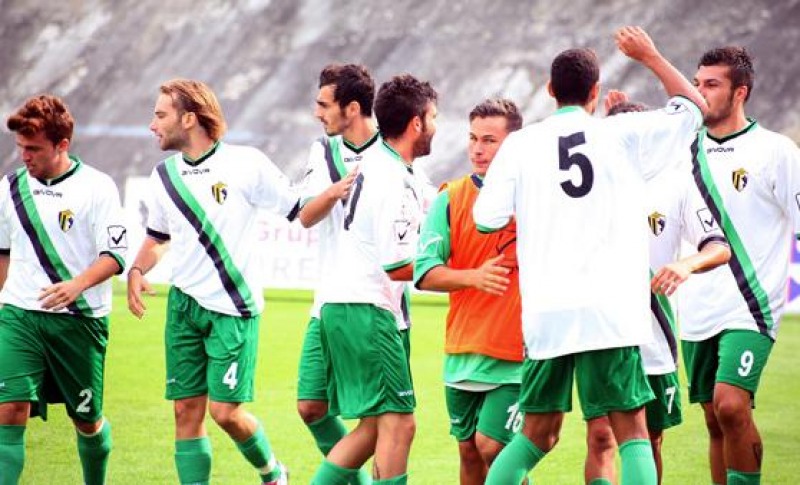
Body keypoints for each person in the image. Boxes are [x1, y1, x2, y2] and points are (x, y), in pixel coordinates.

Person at [474, 26, 709, 485]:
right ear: (595, 91)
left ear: (549, 90)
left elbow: (487, 219)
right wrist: (652, 56)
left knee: (534, 437)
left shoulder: (521, 145)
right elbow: (695, 108)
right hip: (610, 311)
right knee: (632, 431)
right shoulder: (621, 133)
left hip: (547, 313)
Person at [126, 79, 297, 485]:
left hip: (232, 310)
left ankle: (273, 474)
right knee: (185, 411)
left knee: (226, 413)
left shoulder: (246, 163)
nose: (152, 124)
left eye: (160, 115)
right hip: (184, 307)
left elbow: (297, 207)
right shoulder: (163, 176)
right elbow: (157, 239)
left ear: (189, 118)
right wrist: (136, 269)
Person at [582, 94, 731, 485]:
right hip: (602, 334)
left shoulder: (676, 186)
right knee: (600, 438)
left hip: (655, 339)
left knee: (649, 440)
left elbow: (718, 246)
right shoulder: (586, 187)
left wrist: (686, 263)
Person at [677, 46, 800, 485]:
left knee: (732, 404)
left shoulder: (776, 151)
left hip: (750, 305)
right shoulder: (683, 150)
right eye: (696, 83)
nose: (699, 93)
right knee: (714, 418)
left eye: (711, 85)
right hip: (694, 306)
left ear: (739, 92)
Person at [310, 74, 438, 485]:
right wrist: (465, 277)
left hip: (348, 305)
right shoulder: (392, 177)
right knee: (400, 426)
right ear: (417, 123)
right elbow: (398, 265)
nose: (436, 125)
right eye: (433, 117)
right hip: (367, 308)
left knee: (373, 427)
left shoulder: (385, 166)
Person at [0, 94, 127, 484]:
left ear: (62, 145)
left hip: (79, 321)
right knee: (9, 410)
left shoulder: (97, 187)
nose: (24, 156)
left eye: (33, 148)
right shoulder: (9, 188)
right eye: (20, 147)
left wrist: (77, 285)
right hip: (20, 316)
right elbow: (2, 253)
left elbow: (116, 255)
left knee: (86, 421)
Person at [414, 98, 524, 484]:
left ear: (512, 145)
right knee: (469, 453)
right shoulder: (450, 198)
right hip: (462, 350)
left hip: (516, 354)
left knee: (493, 447)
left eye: (490, 141)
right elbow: (425, 272)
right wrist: (473, 277)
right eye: (474, 138)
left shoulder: (533, 199)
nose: (478, 149)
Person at [296, 63, 378, 485]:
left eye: (324, 105)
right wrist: (332, 190)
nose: (317, 113)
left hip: (375, 306)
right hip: (327, 303)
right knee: (311, 406)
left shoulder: (392, 151)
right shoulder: (323, 153)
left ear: (352, 108)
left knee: (378, 417)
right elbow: (306, 217)